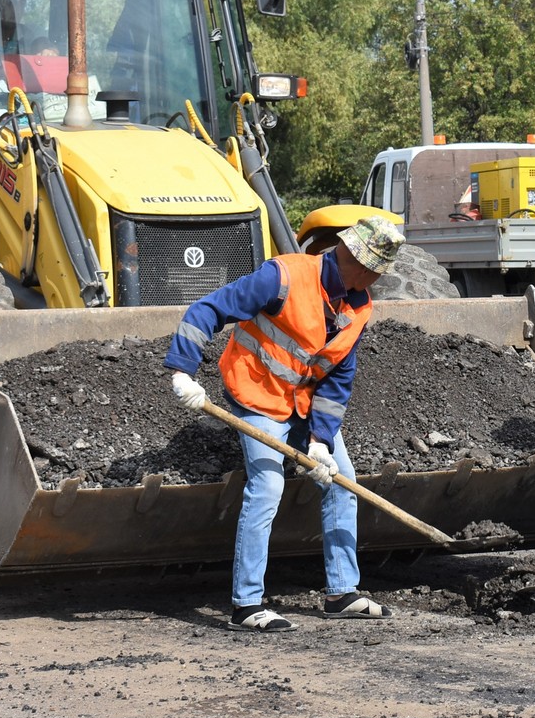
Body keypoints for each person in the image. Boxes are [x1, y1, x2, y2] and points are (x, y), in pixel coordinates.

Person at [165, 216, 405, 632]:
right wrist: (184, 370)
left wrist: (321, 442)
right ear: (357, 261)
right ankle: (246, 604)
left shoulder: (359, 304)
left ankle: (342, 592)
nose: (377, 281)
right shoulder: (283, 276)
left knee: (340, 478)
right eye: (375, 272)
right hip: (255, 394)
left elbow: (338, 378)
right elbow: (208, 308)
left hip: (304, 402)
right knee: (268, 485)